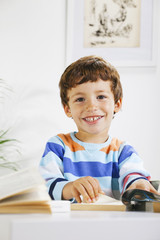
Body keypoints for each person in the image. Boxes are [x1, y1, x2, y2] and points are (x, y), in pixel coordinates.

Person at [39, 55, 158, 203]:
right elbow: (45, 187)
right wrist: (71, 187)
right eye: (80, 99)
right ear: (67, 109)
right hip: (68, 223)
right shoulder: (58, 146)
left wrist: (138, 184)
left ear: (117, 104)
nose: (91, 107)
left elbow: (133, 175)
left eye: (101, 96)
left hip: (111, 224)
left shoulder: (123, 151)